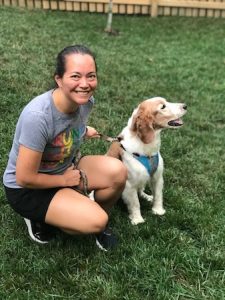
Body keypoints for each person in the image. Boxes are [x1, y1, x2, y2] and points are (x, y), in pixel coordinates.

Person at [3, 45, 127, 251]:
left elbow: (67, 128)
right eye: (76, 76)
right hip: (28, 189)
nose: (85, 84)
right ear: (59, 79)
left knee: (118, 171)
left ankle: (87, 215)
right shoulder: (38, 117)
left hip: (65, 170)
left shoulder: (85, 102)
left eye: (91, 76)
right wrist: (63, 180)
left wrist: (83, 129)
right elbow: (24, 177)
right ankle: (38, 217)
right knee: (94, 220)